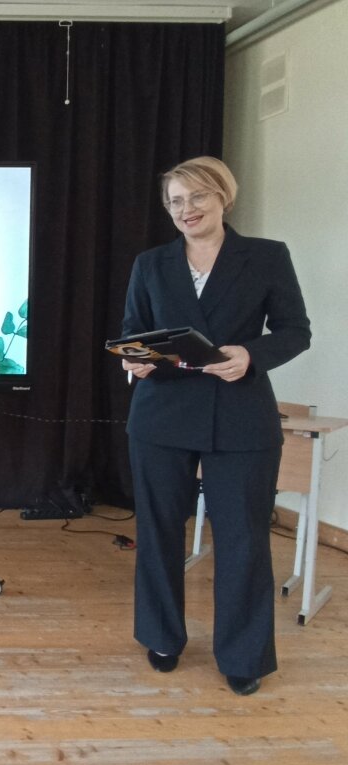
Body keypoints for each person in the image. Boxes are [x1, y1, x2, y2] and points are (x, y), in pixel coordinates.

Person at [121, 156, 310, 696]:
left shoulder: (267, 257)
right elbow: (134, 330)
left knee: (244, 538)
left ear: (224, 196)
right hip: (161, 414)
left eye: (197, 197)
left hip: (241, 416)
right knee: (158, 530)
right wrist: (133, 358)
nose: (187, 209)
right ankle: (161, 636)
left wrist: (251, 354)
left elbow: (295, 331)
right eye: (176, 202)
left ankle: (244, 655)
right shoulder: (151, 263)